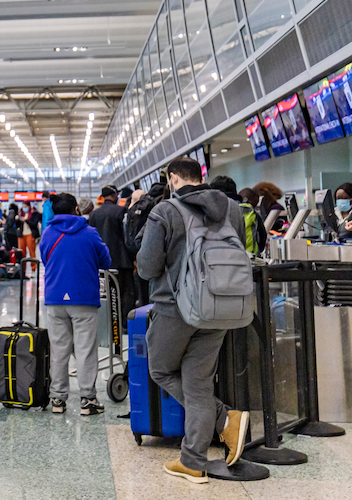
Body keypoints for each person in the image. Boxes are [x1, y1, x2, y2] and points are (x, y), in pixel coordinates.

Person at [136, 157, 249, 484]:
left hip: (177, 308)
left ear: (172, 178)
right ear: (200, 177)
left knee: (160, 369)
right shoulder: (232, 209)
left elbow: (147, 268)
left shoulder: (165, 211)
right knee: (198, 381)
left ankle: (224, 419)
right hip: (222, 305)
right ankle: (194, 460)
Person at [41, 192, 111, 416]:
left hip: (54, 299)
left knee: (59, 351)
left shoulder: (48, 232)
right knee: (85, 350)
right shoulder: (89, 232)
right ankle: (87, 400)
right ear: (76, 209)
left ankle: (58, 400)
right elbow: (105, 260)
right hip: (84, 299)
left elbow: (45, 258)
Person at [89, 185, 135, 319]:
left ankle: (107, 320)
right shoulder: (121, 211)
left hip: (102, 262)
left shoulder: (94, 214)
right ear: (114, 195)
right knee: (126, 292)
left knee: (106, 293)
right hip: (123, 259)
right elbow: (127, 236)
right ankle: (125, 322)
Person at [211, 176, 267, 256]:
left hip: (219, 263)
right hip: (250, 262)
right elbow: (262, 242)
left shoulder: (210, 211)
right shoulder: (248, 210)